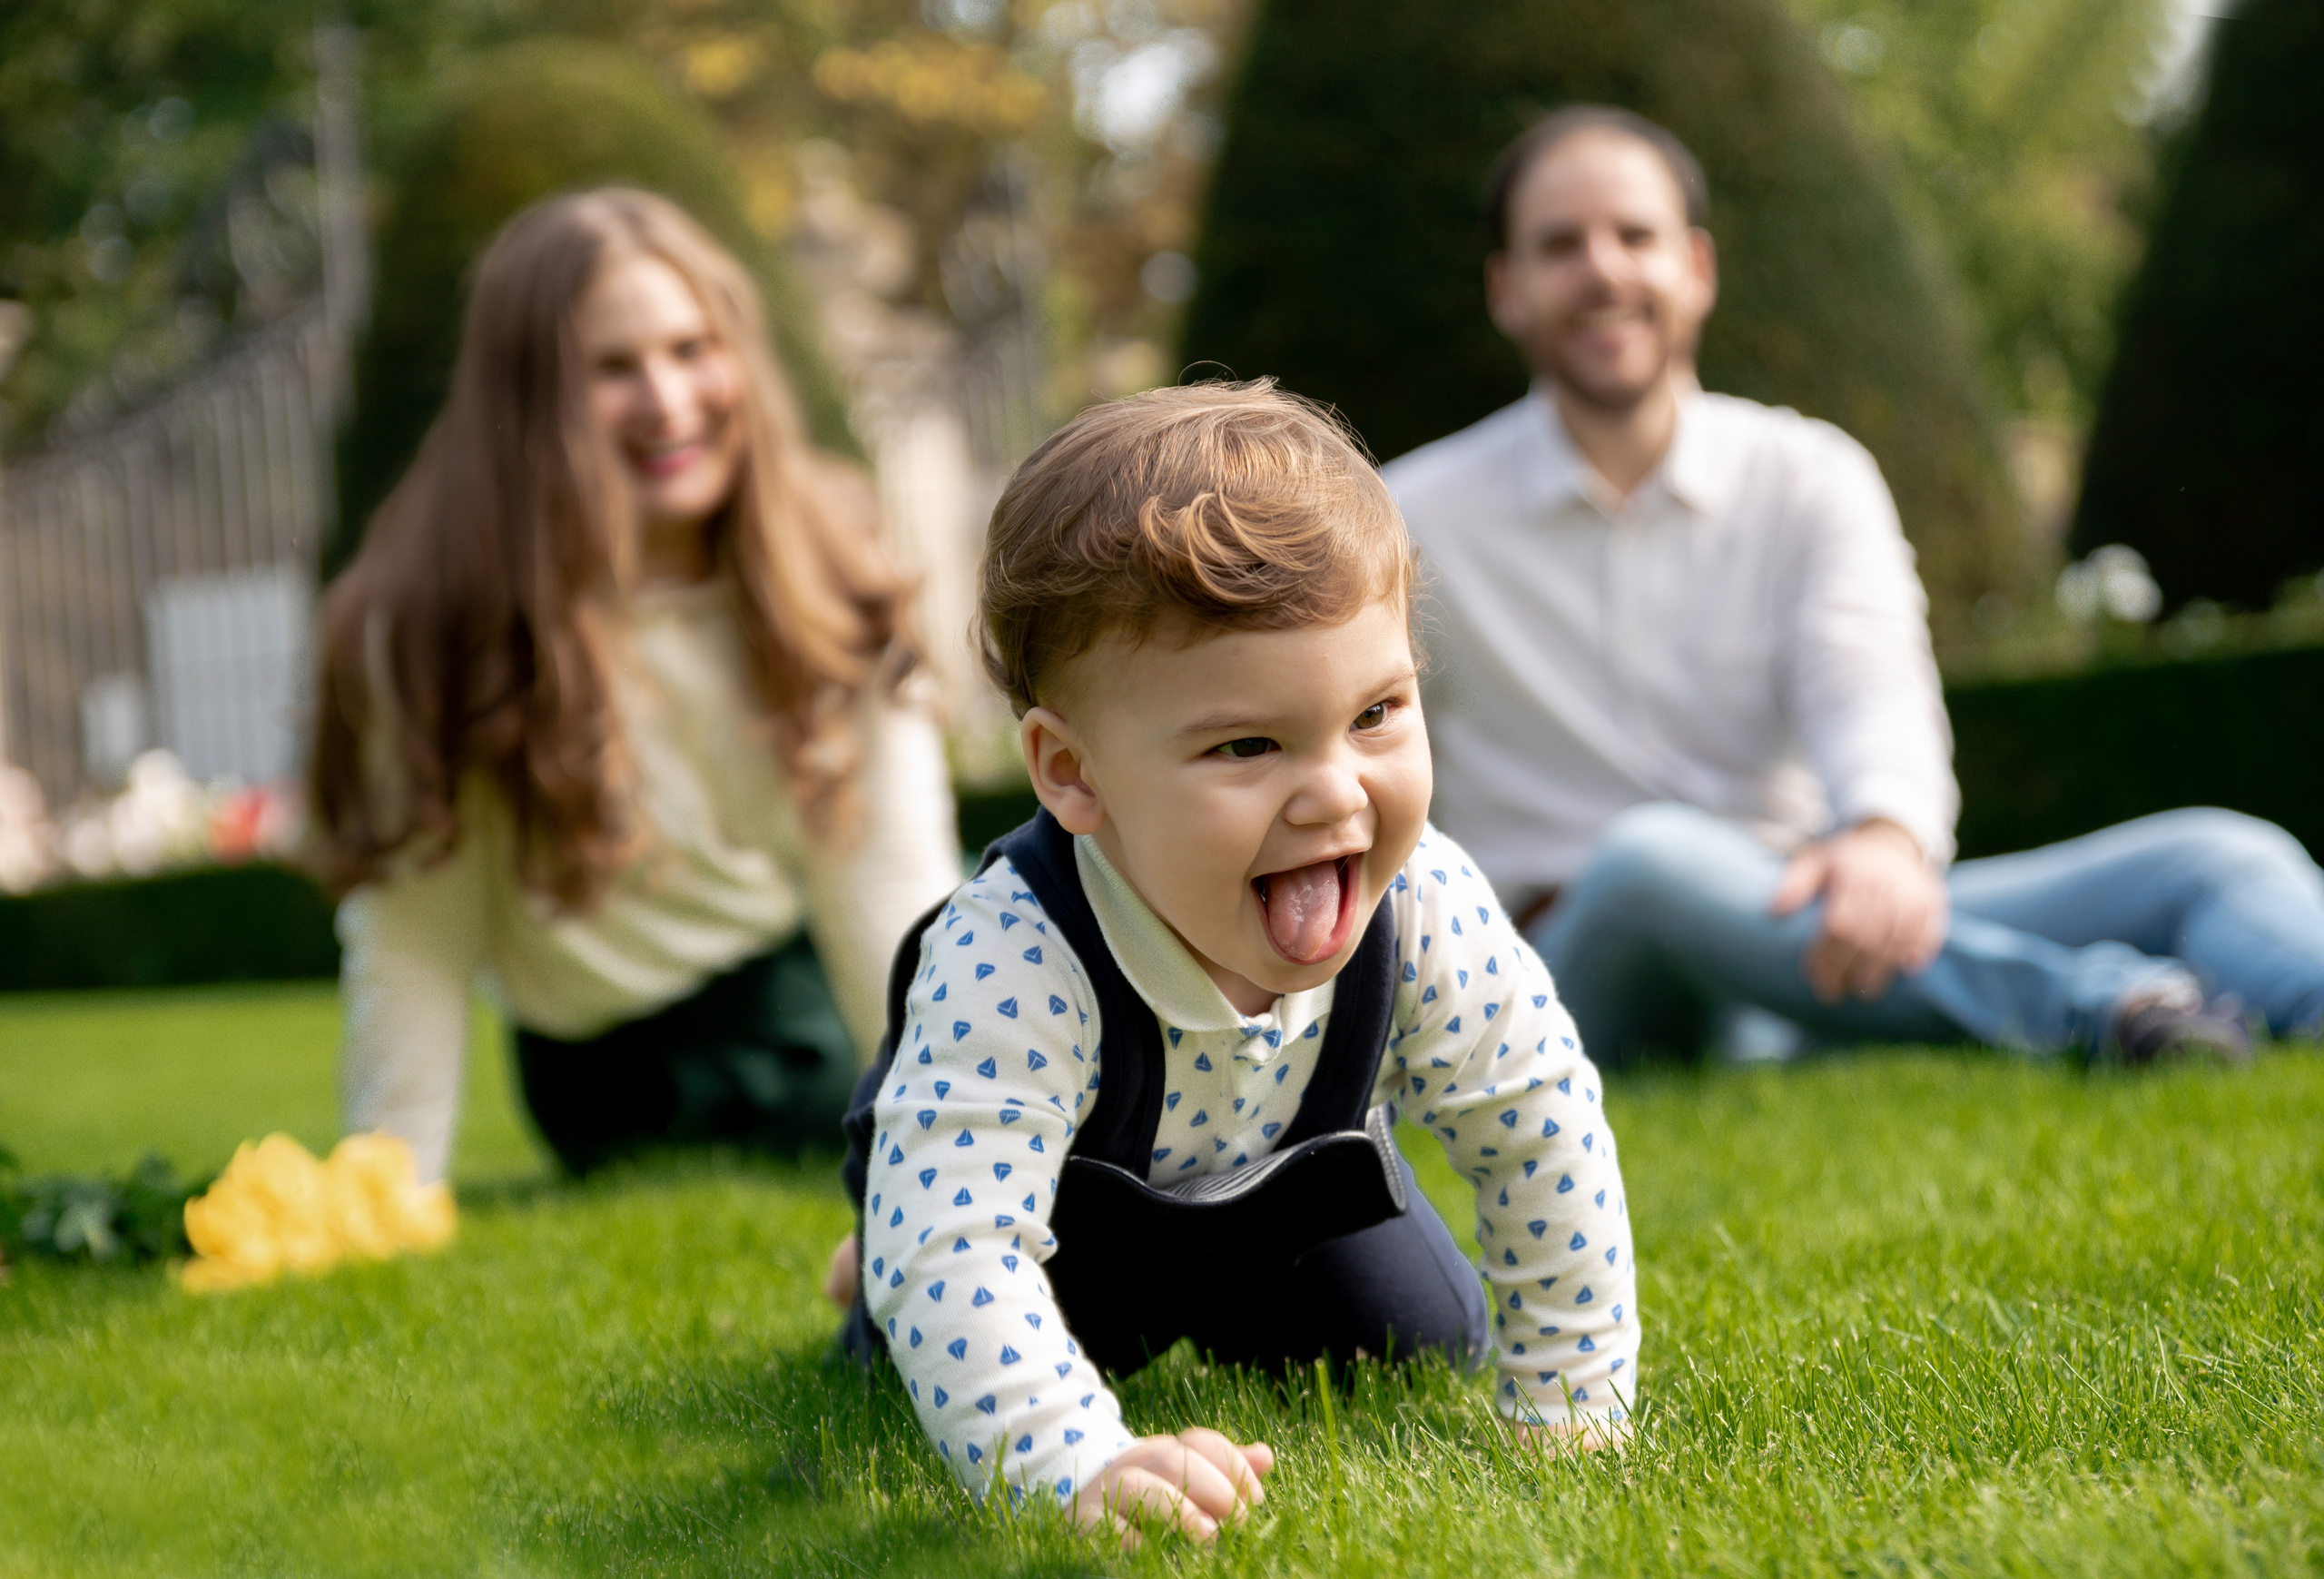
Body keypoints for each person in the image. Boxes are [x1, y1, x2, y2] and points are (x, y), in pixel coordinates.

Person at [830, 382, 1638, 1537]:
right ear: (1072, 772)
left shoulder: (1424, 901)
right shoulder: (1014, 956)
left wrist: (1572, 1399)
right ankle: (874, 1246)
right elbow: (961, 1254)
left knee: (1423, 1338)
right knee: (930, 1323)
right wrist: (1075, 1463)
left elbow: (1538, 1118)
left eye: (1375, 712)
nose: (1335, 793)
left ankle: (1236, 1293)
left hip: (1276, 1200)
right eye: (1247, 744)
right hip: (1066, 1242)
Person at [1385, 106, 2324, 1068]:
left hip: (1806, 927)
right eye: (1560, 245)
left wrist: (1882, 836)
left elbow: (1868, 682)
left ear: (1697, 268)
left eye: (1635, 235)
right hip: (1569, 974)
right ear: (1506, 290)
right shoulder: (1407, 521)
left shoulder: (1809, 475)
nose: (1603, 270)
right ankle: (2109, 1010)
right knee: (1644, 859)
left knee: (2219, 854)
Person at [309, 189, 960, 1183]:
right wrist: (389, 1184)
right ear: (527, 399)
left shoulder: (829, 566)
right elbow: (415, 933)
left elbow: (887, 877)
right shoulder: (431, 619)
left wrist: (956, 1124)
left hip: (794, 1006)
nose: (668, 399)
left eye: (692, 349)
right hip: (594, 1071)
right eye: (612, 369)